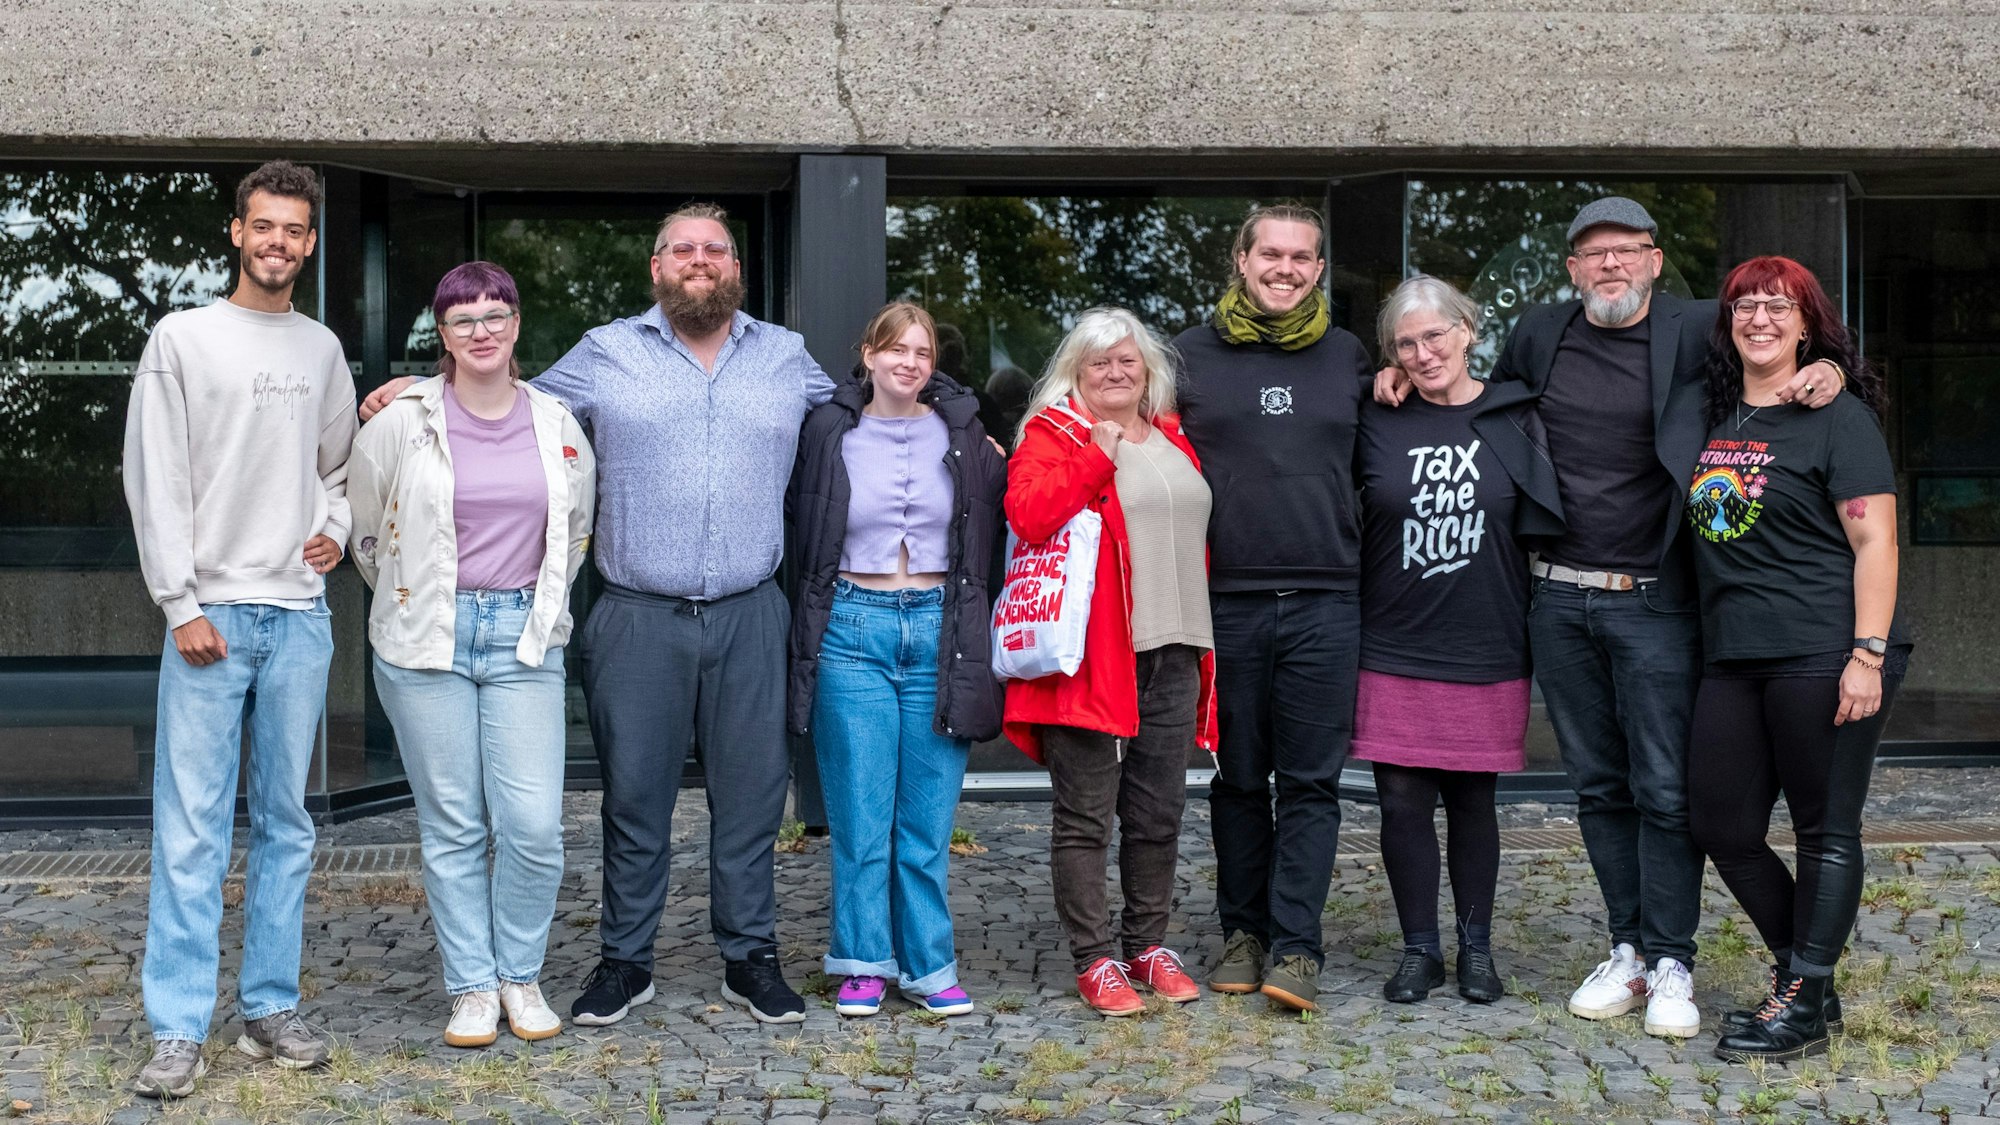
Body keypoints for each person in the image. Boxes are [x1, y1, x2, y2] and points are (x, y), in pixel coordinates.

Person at [1376, 196, 1845, 1037]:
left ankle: (1672, 959)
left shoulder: (1695, 328)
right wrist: (1398, 377)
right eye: (1593, 253)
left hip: (1654, 599)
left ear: (1655, 260)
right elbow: (1476, 396)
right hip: (1556, 597)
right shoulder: (1540, 332)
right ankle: (1628, 948)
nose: (1611, 265)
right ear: (1573, 269)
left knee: (1663, 788)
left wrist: (1830, 371)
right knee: (1597, 787)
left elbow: (1778, 338)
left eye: (1627, 249)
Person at [360, 202, 834, 1026]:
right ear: (657, 267)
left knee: (753, 798)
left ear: (735, 267)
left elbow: (867, 404)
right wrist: (419, 390)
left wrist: (953, 413)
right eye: (681, 248)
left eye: (714, 249)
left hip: (751, 612)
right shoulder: (606, 352)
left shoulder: (786, 357)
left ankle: (750, 956)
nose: (698, 260)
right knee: (635, 800)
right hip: (638, 615)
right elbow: (504, 404)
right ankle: (625, 959)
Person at [123, 160, 353, 1097]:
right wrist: (179, 603)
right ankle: (178, 1028)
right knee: (192, 831)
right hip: (209, 616)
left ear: (310, 242)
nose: (278, 242)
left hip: (298, 615)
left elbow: (338, 469)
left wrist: (335, 528)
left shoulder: (322, 348)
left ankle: (268, 1007)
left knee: (287, 825)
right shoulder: (182, 339)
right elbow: (153, 476)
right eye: (264, 225)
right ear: (236, 231)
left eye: (294, 229)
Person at [347, 262, 595, 1047]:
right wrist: (416, 596)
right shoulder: (400, 422)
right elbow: (367, 533)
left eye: (494, 315)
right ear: (443, 334)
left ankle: (521, 973)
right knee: (453, 823)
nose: (481, 331)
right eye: (463, 319)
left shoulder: (558, 422)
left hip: (524, 636)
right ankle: (474, 987)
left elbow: (574, 534)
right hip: (428, 637)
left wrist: (534, 606)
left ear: (516, 325)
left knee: (533, 825)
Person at [1682, 257, 1904, 1063]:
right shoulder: (1713, 412)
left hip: (1825, 648)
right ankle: (1805, 975)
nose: (1760, 317)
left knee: (1824, 826)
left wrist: (1867, 654)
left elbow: (1875, 539)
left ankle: (1803, 1000)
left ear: (1808, 323)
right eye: (1745, 304)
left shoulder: (1837, 417)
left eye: (1780, 305)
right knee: (1721, 822)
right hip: (1734, 652)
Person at [1173, 204, 1375, 1013]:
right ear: (1242, 259)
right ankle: (1242, 932)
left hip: (1327, 596)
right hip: (1225, 599)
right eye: (1271, 254)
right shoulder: (1186, 355)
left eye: (1301, 257)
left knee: (1311, 782)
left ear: (1318, 269)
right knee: (1236, 779)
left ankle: (1297, 946)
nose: (1285, 268)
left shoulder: (1349, 355)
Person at [786, 301, 1006, 1018]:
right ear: (869, 354)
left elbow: (995, 516)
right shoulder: (828, 429)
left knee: (927, 820)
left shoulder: (962, 433)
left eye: (922, 352)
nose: (909, 363)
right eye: (896, 349)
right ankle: (861, 961)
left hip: (941, 631)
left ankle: (929, 964)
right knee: (860, 816)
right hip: (853, 628)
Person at [1003, 307, 1217, 1017]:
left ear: (1148, 371)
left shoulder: (1172, 434)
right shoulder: (1055, 433)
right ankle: (1094, 958)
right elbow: (1027, 513)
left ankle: (1147, 945)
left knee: (1159, 813)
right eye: (1101, 362)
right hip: (1095, 657)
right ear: (1077, 371)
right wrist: (1096, 454)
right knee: (1086, 817)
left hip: (1175, 646)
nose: (1117, 372)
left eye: (1129, 361)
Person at [1354, 277, 1562, 1005]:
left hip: (1487, 639)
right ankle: (1420, 948)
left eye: (1435, 335)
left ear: (1468, 331)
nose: (1422, 353)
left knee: (1475, 801)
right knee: (1401, 803)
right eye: (1405, 344)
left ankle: (1477, 949)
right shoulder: (1376, 417)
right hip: (1392, 640)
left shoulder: (1514, 414)